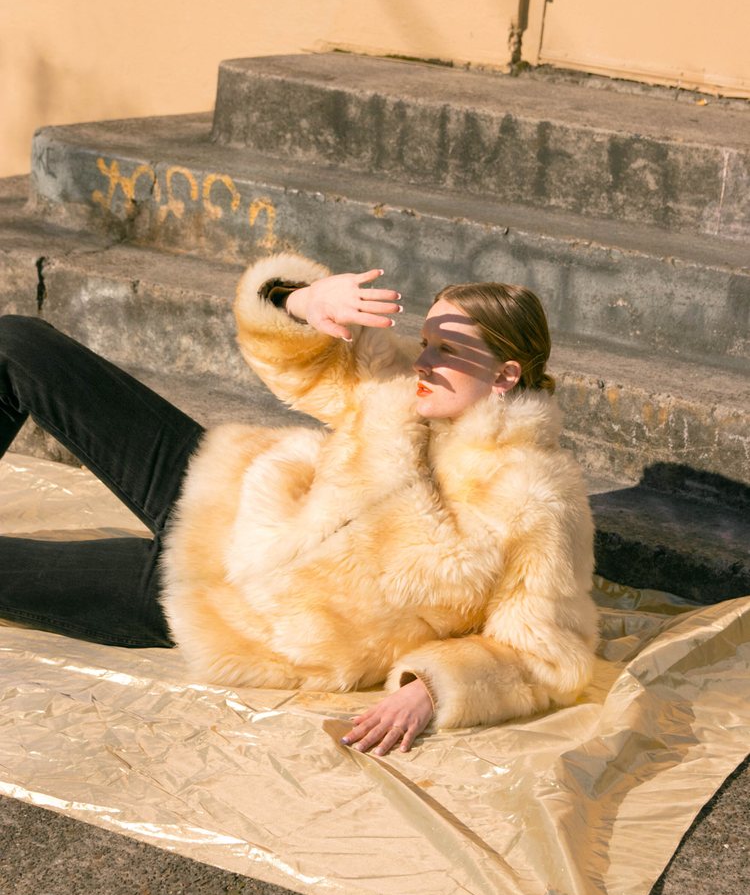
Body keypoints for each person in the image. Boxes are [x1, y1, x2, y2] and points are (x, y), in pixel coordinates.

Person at [0, 253, 597, 756]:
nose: (422, 361)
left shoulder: (537, 499)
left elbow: (541, 652)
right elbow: (302, 360)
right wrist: (302, 302)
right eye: (424, 341)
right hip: (215, 489)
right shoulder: (395, 392)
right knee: (18, 342)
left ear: (505, 375)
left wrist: (434, 687)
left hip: (238, 616)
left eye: (446, 349)